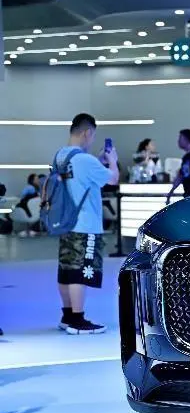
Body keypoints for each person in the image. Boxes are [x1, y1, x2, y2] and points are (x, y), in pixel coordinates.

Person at [55, 113, 120, 334]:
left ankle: (67, 315)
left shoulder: (61, 156)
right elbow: (113, 179)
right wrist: (112, 161)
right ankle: (78, 320)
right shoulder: (86, 160)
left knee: (66, 270)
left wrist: (98, 161)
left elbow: (80, 178)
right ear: (87, 132)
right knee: (80, 272)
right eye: (92, 136)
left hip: (66, 222)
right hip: (86, 224)